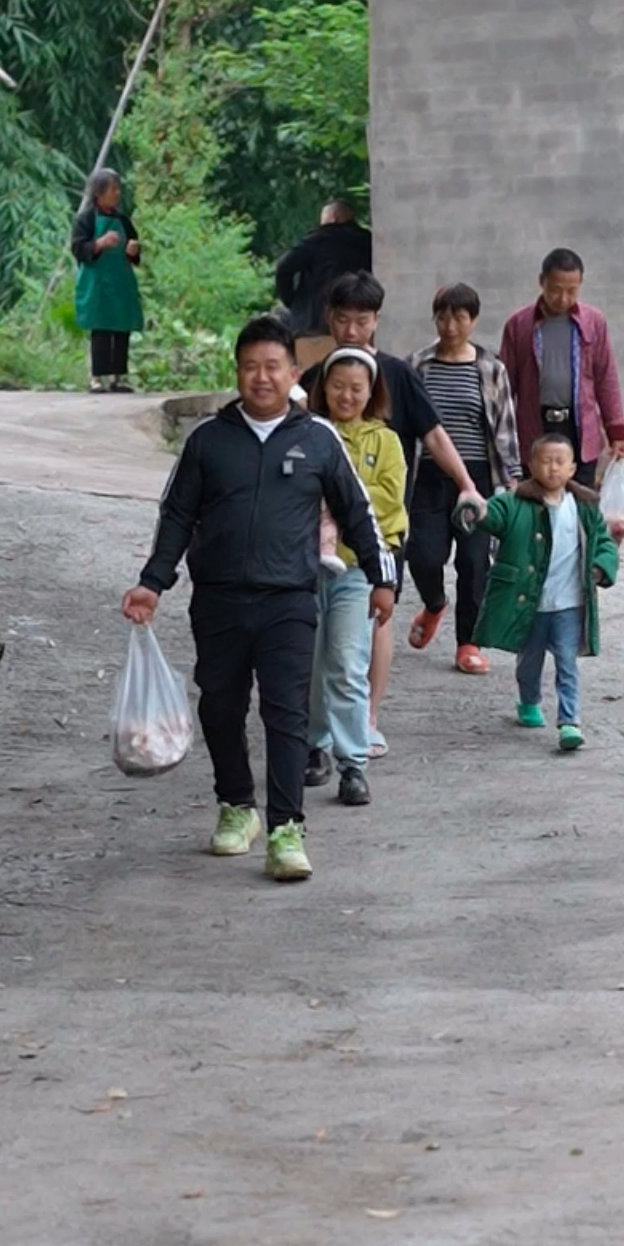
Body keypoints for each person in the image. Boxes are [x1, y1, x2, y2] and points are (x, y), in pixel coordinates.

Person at [121, 315, 396, 882]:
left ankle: (285, 829)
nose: (262, 377)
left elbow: (357, 510)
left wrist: (381, 576)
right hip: (219, 599)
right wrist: (153, 581)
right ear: (238, 373)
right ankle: (236, 806)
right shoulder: (208, 441)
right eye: (251, 367)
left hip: (290, 600)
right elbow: (176, 515)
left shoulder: (318, 439)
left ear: (293, 373)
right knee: (219, 705)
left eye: (273, 367)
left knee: (286, 713)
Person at [300, 272, 477, 754]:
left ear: (376, 320)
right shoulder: (314, 381)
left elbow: (434, 434)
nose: (352, 331)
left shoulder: (398, 375)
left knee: (378, 617)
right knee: (317, 629)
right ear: (329, 320)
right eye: (343, 320)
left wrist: (467, 485)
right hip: (316, 535)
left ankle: (367, 716)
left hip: (380, 529)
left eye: (362, 320)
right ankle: (316, 726)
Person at [460, 432, 619, 751]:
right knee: (529, 661)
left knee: (566, 661)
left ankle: (569, 720)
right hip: (529, 602)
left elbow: (602, 541)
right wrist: (475, 510)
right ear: (532, 465)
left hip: (569, 603)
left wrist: (601, 567)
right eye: (545, 461)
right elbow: (492, 516)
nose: (552, 468)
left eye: (560, 462)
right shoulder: (515, 502)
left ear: (573, 468)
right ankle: (529, 700)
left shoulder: (585, 507)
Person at [304, 348, 408, 806]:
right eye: (338, 386)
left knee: (347, 663)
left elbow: (387, 502)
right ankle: (314, 745)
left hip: (358, 569)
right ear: (323, 389)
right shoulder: (306, 434)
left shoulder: (386, 442)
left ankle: (352, 763)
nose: (347, 395)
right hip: (304, 569)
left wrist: (340, 491)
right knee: (308, 664)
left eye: (356, 388)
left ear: (371, 393)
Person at [407, 282, 521, 675]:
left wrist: (513, 483)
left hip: (477, 477)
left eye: (459, 316)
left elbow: (505, 428)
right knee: (422, 553)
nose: (450, 324)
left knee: (474, 562)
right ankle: (435, 602)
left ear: (473, 320)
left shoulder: (490, 368)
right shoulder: (418, 365)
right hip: (426, 475)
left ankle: (468, 643)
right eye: (442, 315)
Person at [499, 248, 624, 487]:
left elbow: (605, 378)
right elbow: (506, 387)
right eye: (556, 290)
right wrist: (503, 438)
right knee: (536, 500)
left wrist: (616, 430)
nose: (563, 298)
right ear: (542, 282)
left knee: (580, 500)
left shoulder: (594, 323)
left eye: (572, 291)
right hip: (535, 427)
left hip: (580, 429)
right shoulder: (519, 325)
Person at [275, 200, 373, 372]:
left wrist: (293, 302)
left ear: (333, 218)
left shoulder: (317, 240)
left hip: (314, 326)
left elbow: (284, 268)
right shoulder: (368, 241)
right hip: (358, 330)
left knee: (313, 383)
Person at [71, 168, 143, 394]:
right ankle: (97, 377)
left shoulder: (123, 220)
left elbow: (134, 251)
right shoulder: (86, 220)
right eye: (113, 189)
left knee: (121, 328)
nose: (118, 193)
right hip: (98, 283)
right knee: (100, 328)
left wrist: (132, 250)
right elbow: (78, 248)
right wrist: (99, 243)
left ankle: (118, 377)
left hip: (120, 282)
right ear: (99, 193)